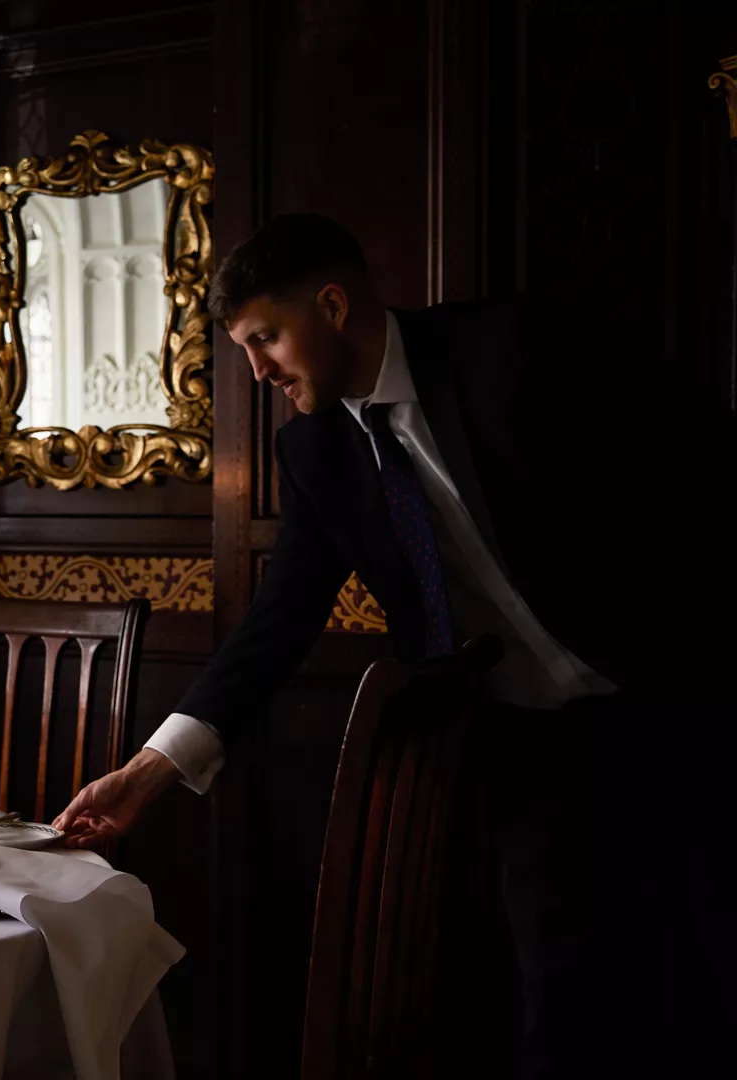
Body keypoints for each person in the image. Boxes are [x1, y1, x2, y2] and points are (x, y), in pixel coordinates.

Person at [51, 214, 733, 1076]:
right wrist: (147, 774)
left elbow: (688, 480)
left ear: (332, 306)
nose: (257, 371)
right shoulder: (314, 452)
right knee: (555, 991)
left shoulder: (509, 353)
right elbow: (277, 625)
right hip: (522, 744)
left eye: (266, 338)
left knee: (708, 962)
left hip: (675, 706)